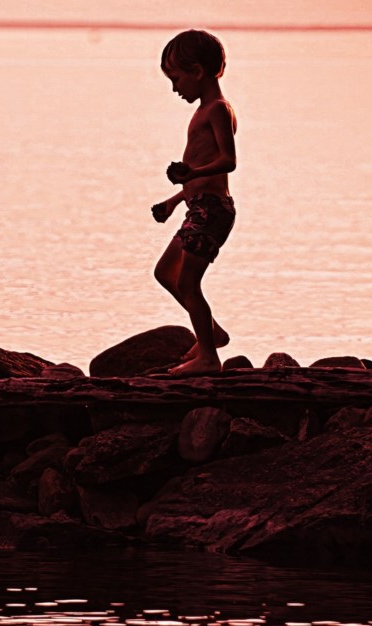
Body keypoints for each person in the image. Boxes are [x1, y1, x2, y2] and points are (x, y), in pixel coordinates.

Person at [150, 29, 237, 376]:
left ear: (198, 71)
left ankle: (208, 359)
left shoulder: (217, 110)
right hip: (197, 206)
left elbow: (229, 162)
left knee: (188, 282)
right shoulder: (203, 111)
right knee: (164, 273)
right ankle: (211, 333)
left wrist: (190, 171)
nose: (175, 88)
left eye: (176, 78)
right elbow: (202, 177)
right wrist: (174, 201)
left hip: (212, 211)